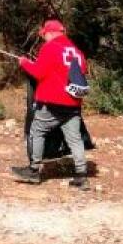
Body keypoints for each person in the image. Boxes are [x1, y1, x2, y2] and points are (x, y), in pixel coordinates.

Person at [11, 19, 90, 189]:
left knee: (36, 131)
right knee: (75, 139)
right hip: (73, 103)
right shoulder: (77, 52)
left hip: (53, 101)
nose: (43, 38)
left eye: (44, 34)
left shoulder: (49, 48)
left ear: (51, 33)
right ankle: (82, 176)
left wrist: (25, 63)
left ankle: (33, 170)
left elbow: (38, 73)